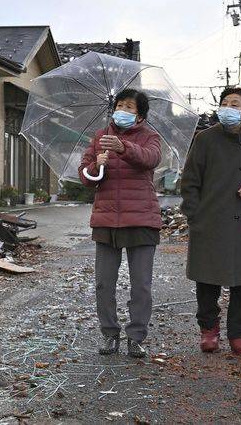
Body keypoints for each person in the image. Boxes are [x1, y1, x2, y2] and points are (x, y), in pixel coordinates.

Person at [179, 87, 241, 356]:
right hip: (210, 220)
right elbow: (189, 182)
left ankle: (239, 334)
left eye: (234, 104)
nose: (226, 107)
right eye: (224, 103)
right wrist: (194, 215)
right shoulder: (205, 139)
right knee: (207, 280)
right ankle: (208, 330)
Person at [79, 89, 162, 358]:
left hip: (141, 219)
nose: (122, 110)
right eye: (119, 105)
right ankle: (109, 334)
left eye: (129, 107)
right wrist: (95, 167)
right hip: (106, 219)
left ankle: (136, 337)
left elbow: (150, 158)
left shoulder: (150, 137)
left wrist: (123, 148)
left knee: (141, 285)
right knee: (104, 283)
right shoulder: (99, 137)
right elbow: (85, 176)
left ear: (139, 115)